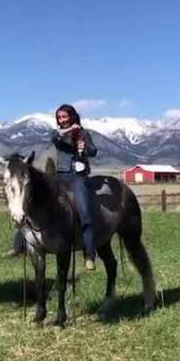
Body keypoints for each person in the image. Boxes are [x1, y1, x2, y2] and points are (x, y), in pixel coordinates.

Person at [51, 104, 97, 271]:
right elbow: (54, 137)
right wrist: (70, 129)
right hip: (61, 175)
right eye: (60, 118)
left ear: (72, 116)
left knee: (85, 213)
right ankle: (21, 244)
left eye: (65, 117)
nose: (62, 120)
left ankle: (89, 255)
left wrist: (85, 148)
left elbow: (94, 152)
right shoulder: (57, 134)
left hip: (78, 176)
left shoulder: (84, 133)